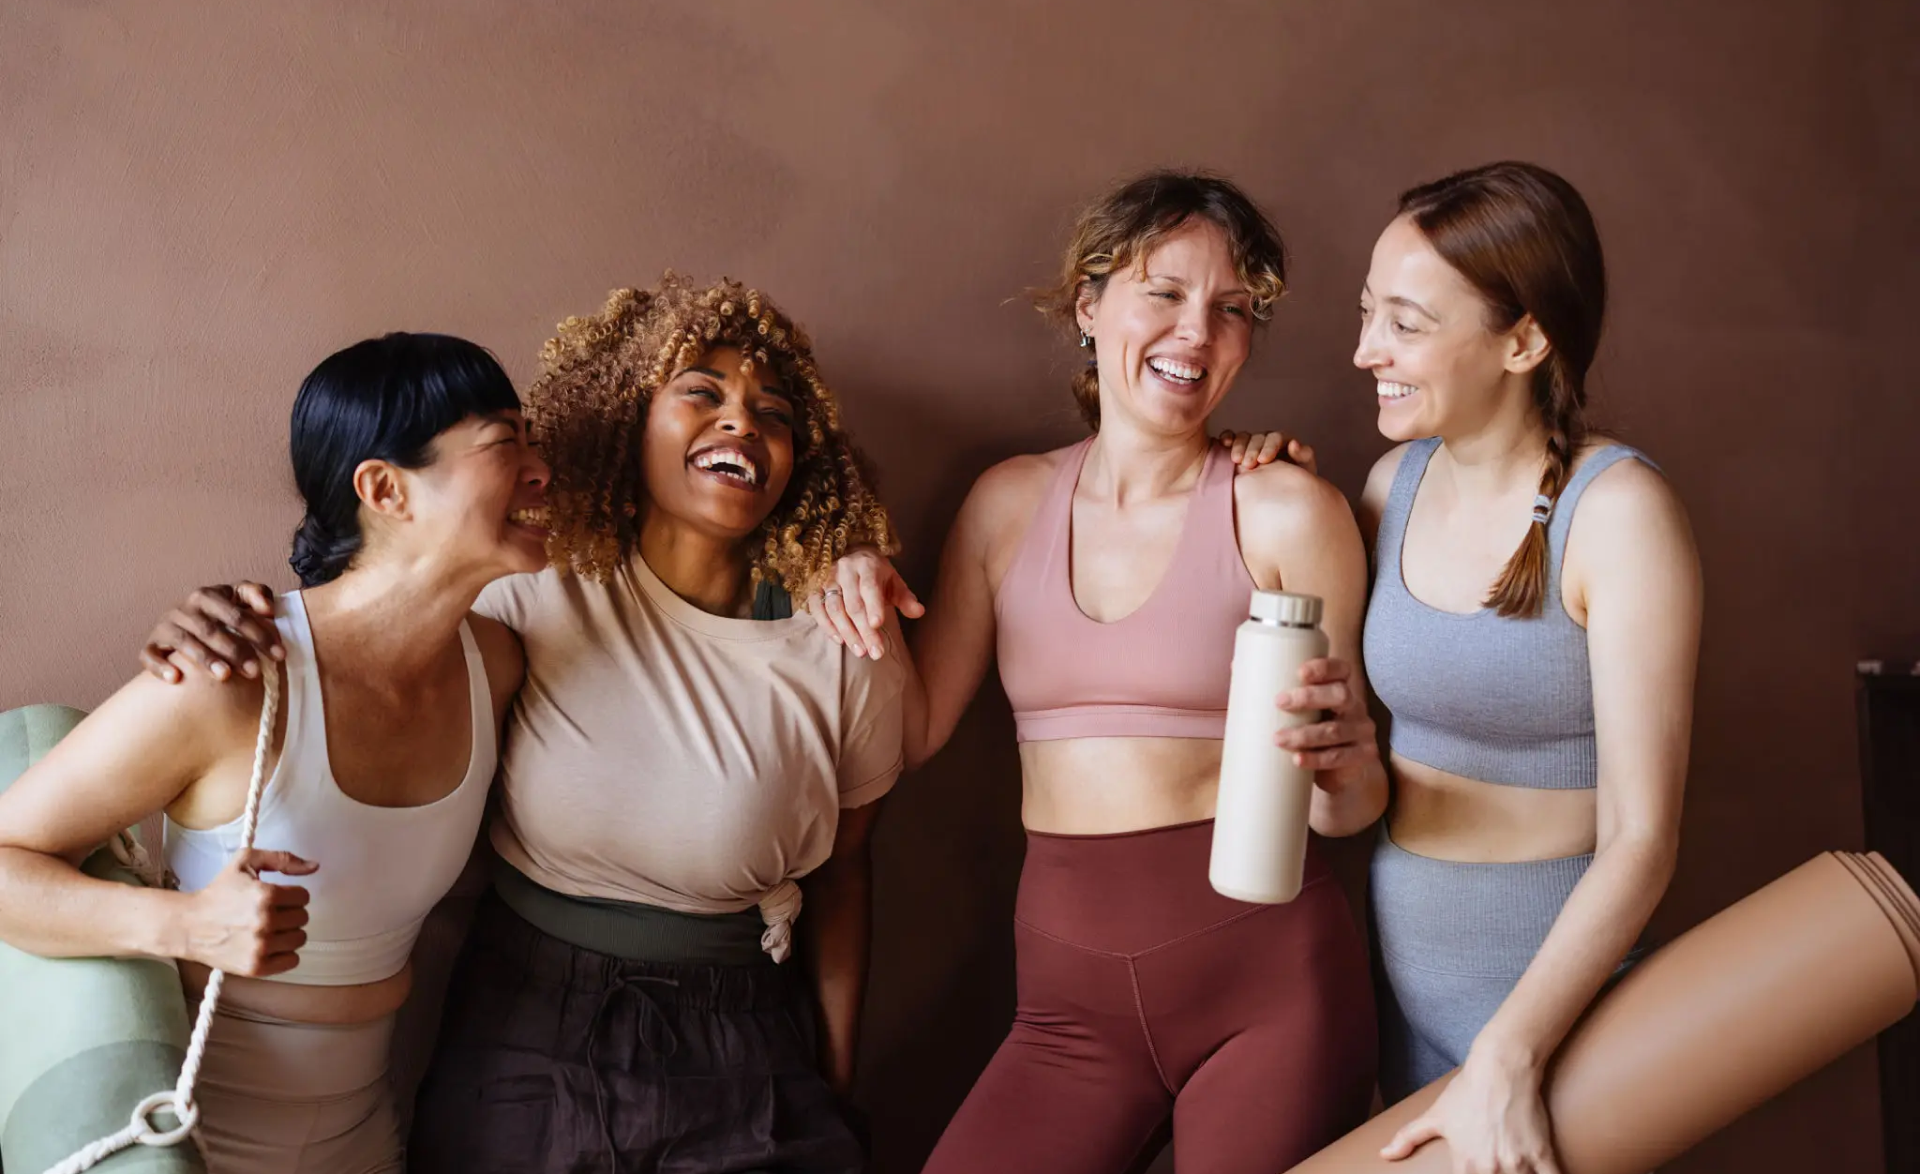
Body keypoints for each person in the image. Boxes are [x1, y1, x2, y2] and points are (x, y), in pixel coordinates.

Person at [139, 275, 905, 1174]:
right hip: (533, 1016)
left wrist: (837, 1083)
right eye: (701, 391)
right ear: (626, 419)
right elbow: (371, 615)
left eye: (774, 411)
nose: (742, 421)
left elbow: (848, 869)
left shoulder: (846, 636)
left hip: (747, 1031)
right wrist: (222, 616)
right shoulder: (525, 589)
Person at [809, 171, 1383, 1174]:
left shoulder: (1293, 512)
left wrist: (1344, 763)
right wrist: (849, 567)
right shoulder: (1007, 506)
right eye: (1163, 292)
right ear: (1089, 303)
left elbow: (1349, 809)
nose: (1196, 333)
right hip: (1067, 1017)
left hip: (1271, 993)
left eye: (1232, 309)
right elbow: (913, 732)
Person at [0, 333, 545, 1171]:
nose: (542, 469)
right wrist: (181, 926)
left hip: (369, 1137)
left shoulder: (497, 664)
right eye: (507, 443)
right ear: (385, 488)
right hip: (186, 1136)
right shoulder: (230, 679)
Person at [1348, 161, 1700, 1174]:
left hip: (1554, 1018)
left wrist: (1509, 1053)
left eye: (1405, 323)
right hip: (1402, 985)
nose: (1366, 350)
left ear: (1524, 337)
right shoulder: (1389, 486)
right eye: (1368, 313)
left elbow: (1644, 838)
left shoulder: (1621, 515)